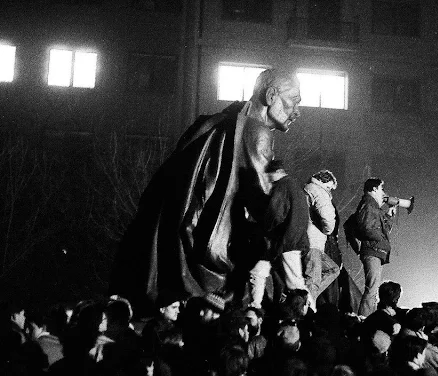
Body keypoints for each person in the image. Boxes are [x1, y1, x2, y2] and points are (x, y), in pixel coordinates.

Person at [111, 68, 302, 316]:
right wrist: (292, 199)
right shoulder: (256, 132)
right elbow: (265, 208)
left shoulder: (216, 123)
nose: (297, 112)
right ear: (271, 95)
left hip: (180, 247)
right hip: (212, 260)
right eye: (294, 101)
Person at [258, 160, 311, 308]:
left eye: (269, 174)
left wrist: (265, 227)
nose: (268, 178)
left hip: (288, 241)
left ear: (277, 172)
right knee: (262, 272)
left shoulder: (282, 186)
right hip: (296, 239)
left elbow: (275, 214)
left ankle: (309, 312)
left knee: (296, 285)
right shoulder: (294, 186)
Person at [351, 178, 395, 317]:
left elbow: (383, 229)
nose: (383, 192)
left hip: (375, 250)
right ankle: (364, 319)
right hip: (372, 250)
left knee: (373, 290)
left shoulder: (373, 206)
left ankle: (367, 318)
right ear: (374, 189)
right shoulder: (369, 204)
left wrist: (389, 215)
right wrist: (380, 239)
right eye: (381, 188)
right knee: (371, 290)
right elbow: (366, 228)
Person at [303, 170, 341, 306]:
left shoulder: (307, 189)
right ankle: (305, 305)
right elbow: (328, 217)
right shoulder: (318, 191)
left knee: (333, 269)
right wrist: (328, 231)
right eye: (329, 187)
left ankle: (302, 296)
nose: (329, 191)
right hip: (313, 241)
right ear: (323, 182)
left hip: (309, 240)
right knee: (313, 280)